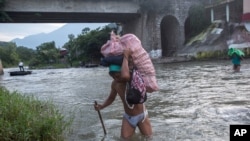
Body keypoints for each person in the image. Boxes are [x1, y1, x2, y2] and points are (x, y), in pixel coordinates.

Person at [94, 49, 153, 140]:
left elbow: (125, 75)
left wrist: (126, 56)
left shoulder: (131, 79)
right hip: (128, 118)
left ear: (123, 71)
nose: (116, 79)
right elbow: (111, 98)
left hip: (142, 116)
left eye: (117, 76)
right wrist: (102, 106)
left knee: (149, 138)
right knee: (124, 139)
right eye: (113, 77)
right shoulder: (115, 84)